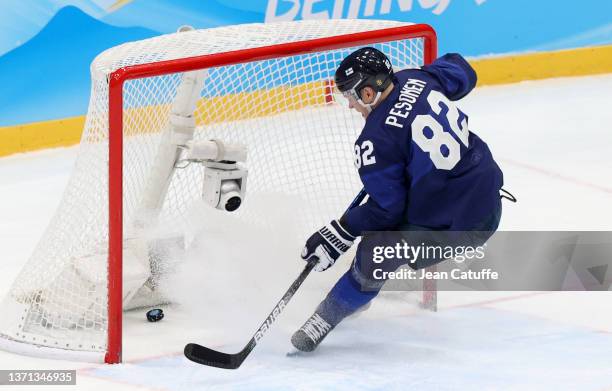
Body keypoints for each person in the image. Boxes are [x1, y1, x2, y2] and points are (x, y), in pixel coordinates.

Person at [291, 48, 505, 352]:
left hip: (462, 224)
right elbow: (463, 72)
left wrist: (342, 229)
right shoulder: (415, 79)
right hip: (486, 195)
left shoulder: (374, 141)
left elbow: (387, 210)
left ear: (368, 91)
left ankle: (326, 317)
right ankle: (355, 296)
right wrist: (425, 79)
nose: (351, 106)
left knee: (376, 251)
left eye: (351, 97)